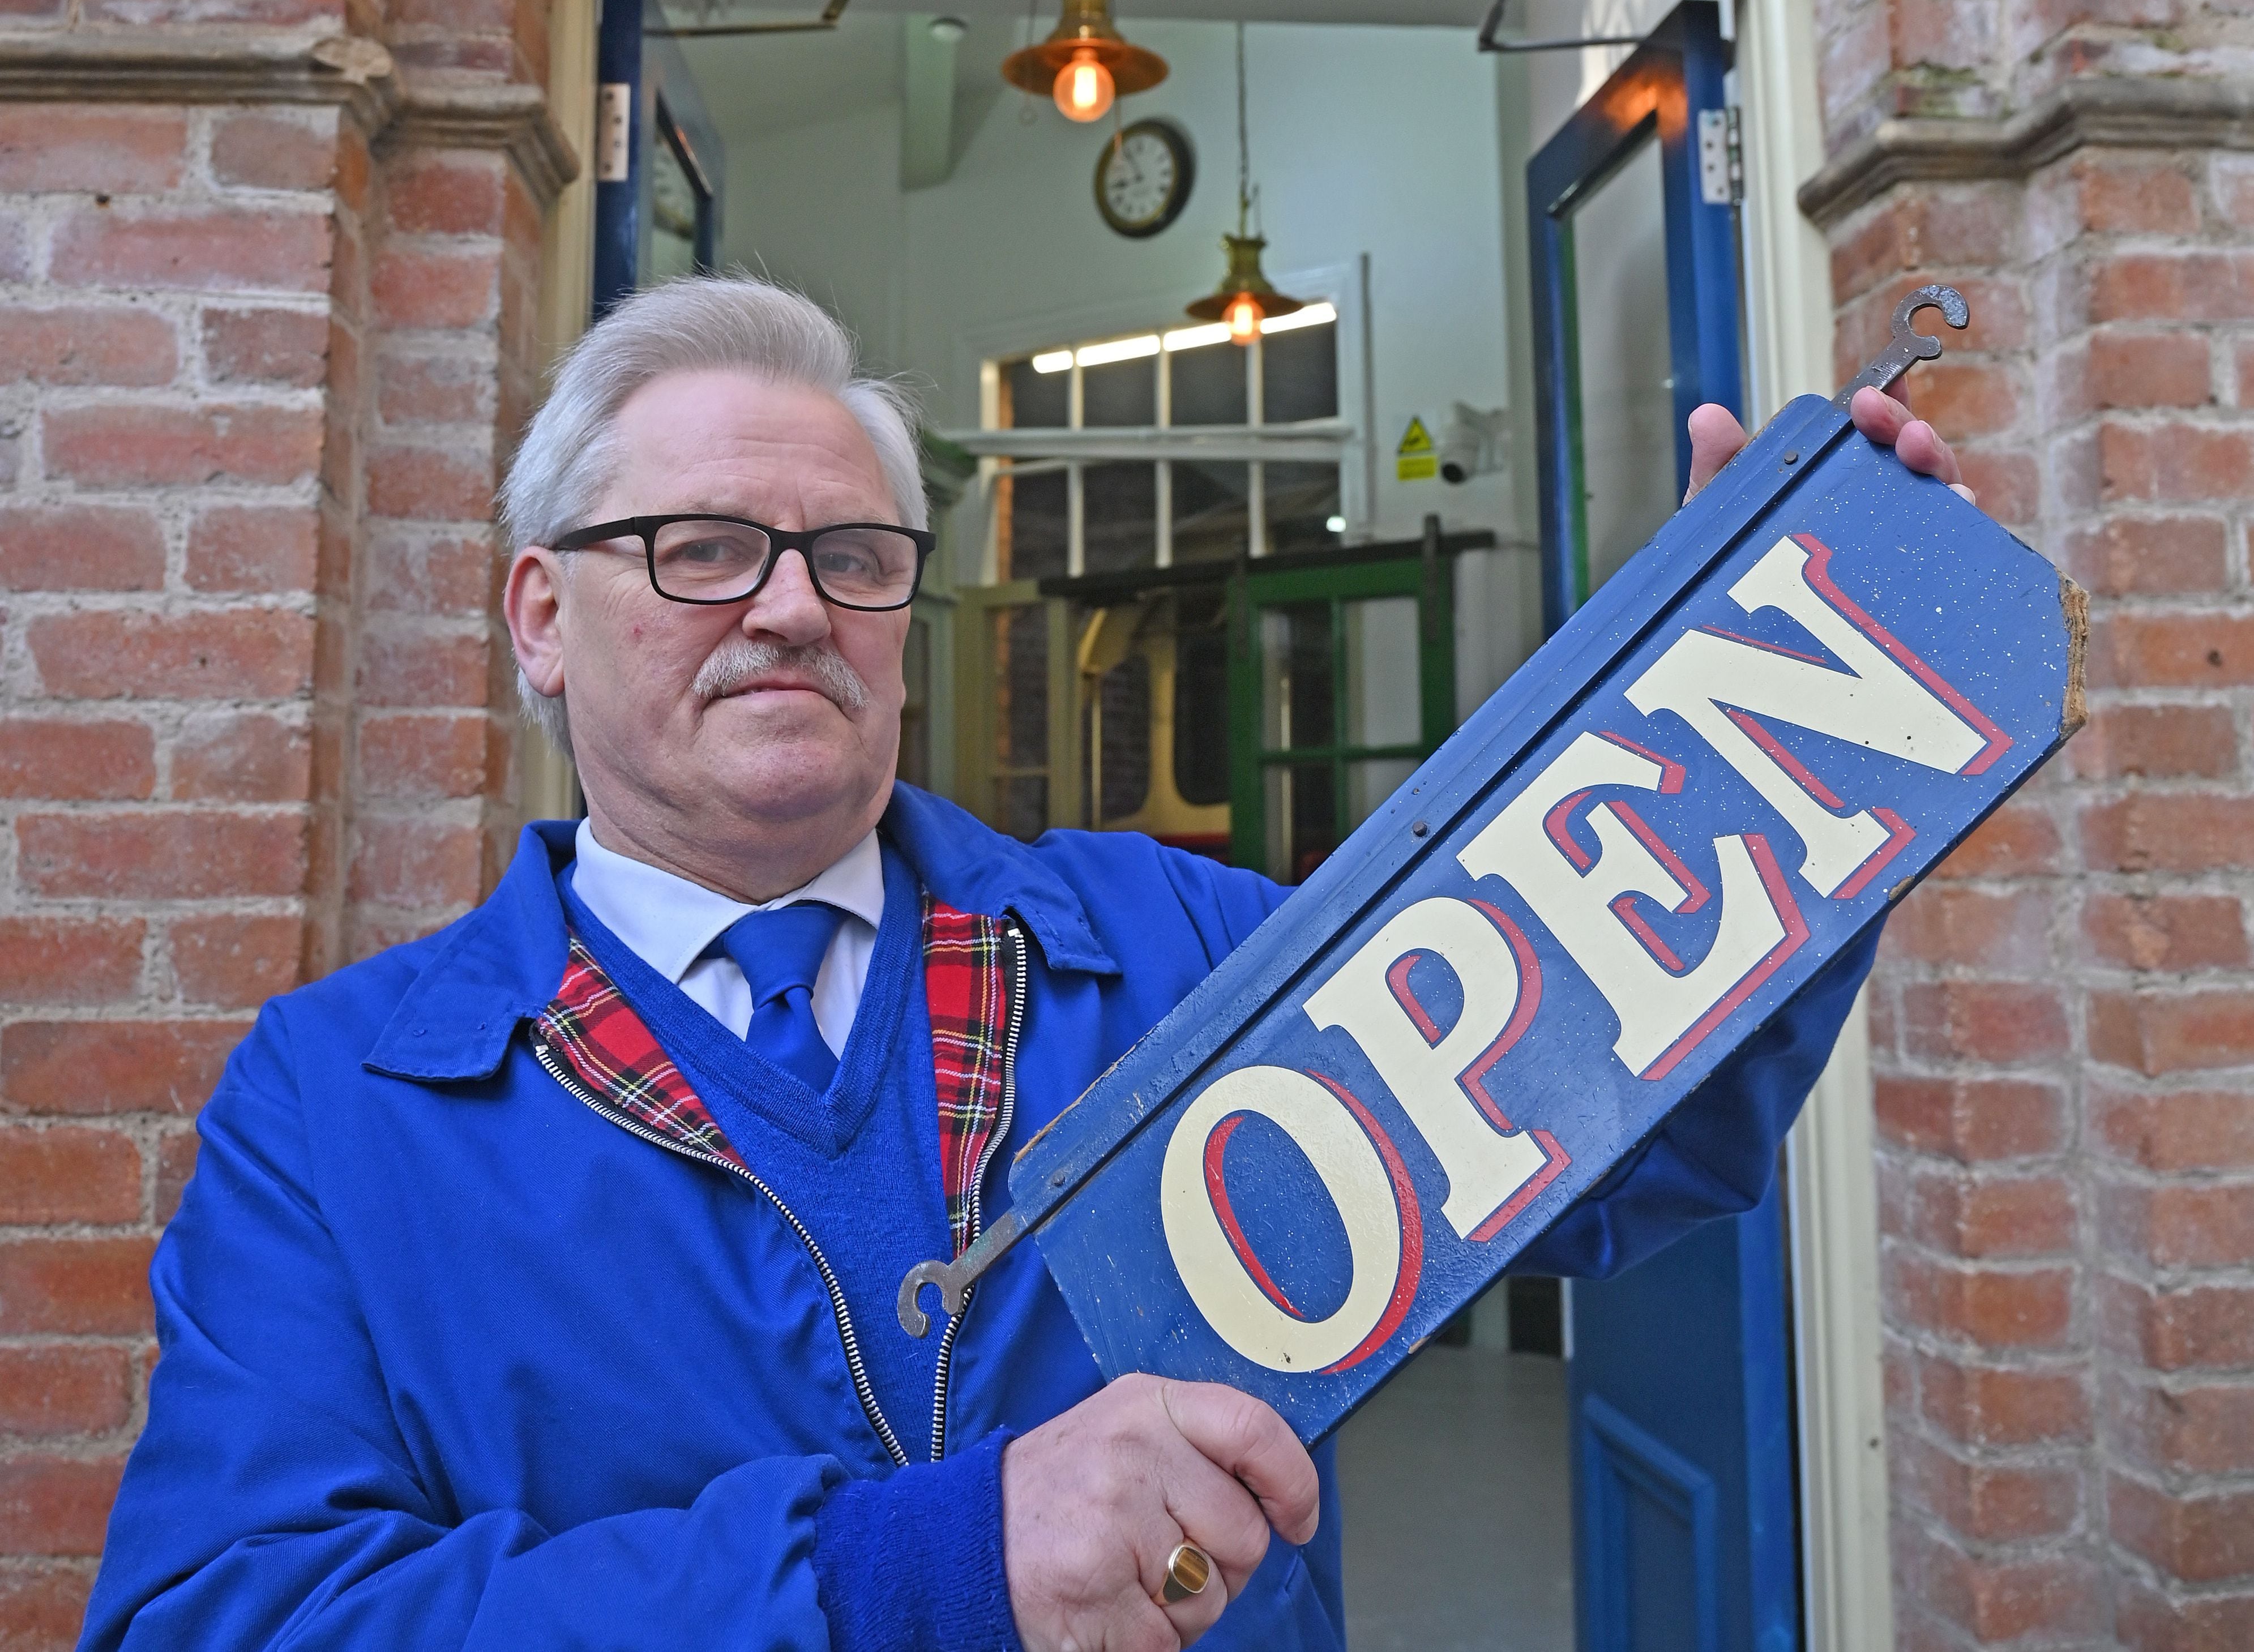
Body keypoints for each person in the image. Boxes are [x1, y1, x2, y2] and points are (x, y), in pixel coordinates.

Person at [78, 278, 1971, 1652]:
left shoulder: (1168, 945)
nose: (796, 603)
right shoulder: (337, 1105)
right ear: (540, 614)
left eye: (852, 552)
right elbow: (222, 1622)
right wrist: (910, 1571)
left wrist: (1789, 774)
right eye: (704, 549)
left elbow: (1624, 1133)